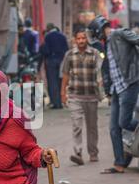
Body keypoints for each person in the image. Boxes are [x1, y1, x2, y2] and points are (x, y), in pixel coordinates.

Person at [88, 15, 139, 173]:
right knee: (113, 128)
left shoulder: (120, 33)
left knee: (124, 123)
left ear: (100, 29)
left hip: (129, 84)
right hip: (116, 89)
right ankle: (119, 163)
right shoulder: (106, 44)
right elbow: (108, 68)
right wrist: (108, 89)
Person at [61, 27, 101, 165]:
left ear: (87, 39)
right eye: (78, 38)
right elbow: (65, 74)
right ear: (75, 40)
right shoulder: (69, 55)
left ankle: (93, 152)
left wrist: (102, 90)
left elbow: (100, 74)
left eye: (83, 38)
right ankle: (77, 152)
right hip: (75, 96)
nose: (81, 41)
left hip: (92, 96)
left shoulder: (95, 53)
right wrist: (63, 93)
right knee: (77, 125)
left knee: (92, 127)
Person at [43, 23, 69, 109]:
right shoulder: (62, 36)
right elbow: (67, 49)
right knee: (60, 81)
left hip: (51, 60)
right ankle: (61, 102)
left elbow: (46, 50)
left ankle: (55, 103)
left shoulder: (47, 37)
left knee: (52, 81)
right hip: (62, 60)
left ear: (48, 29)